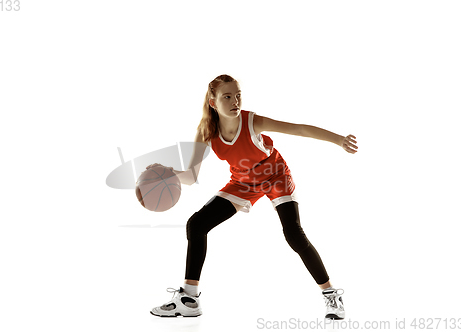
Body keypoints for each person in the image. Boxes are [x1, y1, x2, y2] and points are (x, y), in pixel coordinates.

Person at [149, 74, 358, 319]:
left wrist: (339, 140)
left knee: (293, 233)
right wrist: (167, 174)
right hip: (244, 182)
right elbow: (190, 176)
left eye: (238, 95)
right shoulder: (206, 130)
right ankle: (189, 298)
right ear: (213, 102)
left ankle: (331, 295)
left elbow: (298, 129)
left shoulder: (252, 122)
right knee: (196, 225)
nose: (235, 101)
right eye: (227, 96)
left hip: (275, 175)